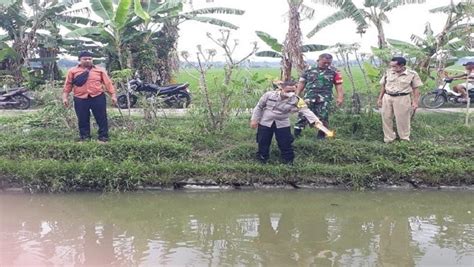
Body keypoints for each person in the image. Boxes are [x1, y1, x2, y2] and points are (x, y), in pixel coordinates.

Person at [250, 81, 322, 164]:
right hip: (266, 121)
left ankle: (288, 162)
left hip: (282, 123)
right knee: (263, 141)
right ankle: (262, 160)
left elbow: (306, 111)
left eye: (293, 91)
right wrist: (254, 119)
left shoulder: (297, 100)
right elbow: (259, 107)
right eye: (288, 91)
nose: (291, 93)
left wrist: (316, 121)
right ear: (281, 89)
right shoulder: (269, 95)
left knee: (285, 142)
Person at [62, 51, 117, 143]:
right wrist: (65, 97)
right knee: (82, 118)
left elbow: (108, 83)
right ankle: (85, 137)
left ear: (92, 60)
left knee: (101, 117)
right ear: (79, 60)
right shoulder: (72, 71)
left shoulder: (100, 70)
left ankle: (103, 138)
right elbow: (68, 85)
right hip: (80, 98)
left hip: (97, 97)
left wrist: (113, 95)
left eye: (90, 59)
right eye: (85, 59)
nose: (87, 60)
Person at [294, 53, 344, 139]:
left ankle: (321, 136)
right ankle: (296, 136)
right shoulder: (308, 70)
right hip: (309, 97)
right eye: (324, 62)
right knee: (303, 115)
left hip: (325, 99)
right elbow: (302, 82)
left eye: (329, 62)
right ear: (318, 61)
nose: (327, 64)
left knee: (323, 117)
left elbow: (338, 85)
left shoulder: (334, 71)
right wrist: (297, 95)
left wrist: (340, 97)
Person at [377, 57, 423, 143]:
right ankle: (389, 139)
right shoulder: (388, 72)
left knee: (403, 119)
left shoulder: (412, 74)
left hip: (402, 98)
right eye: (391, 66)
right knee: (386, 118)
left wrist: (415, 102)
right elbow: (383, 86)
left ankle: (404, 138)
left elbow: (416, 89)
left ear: (402, 65)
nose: (392, 68)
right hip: (387, 97)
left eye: (394, 66)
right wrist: (380, 99)